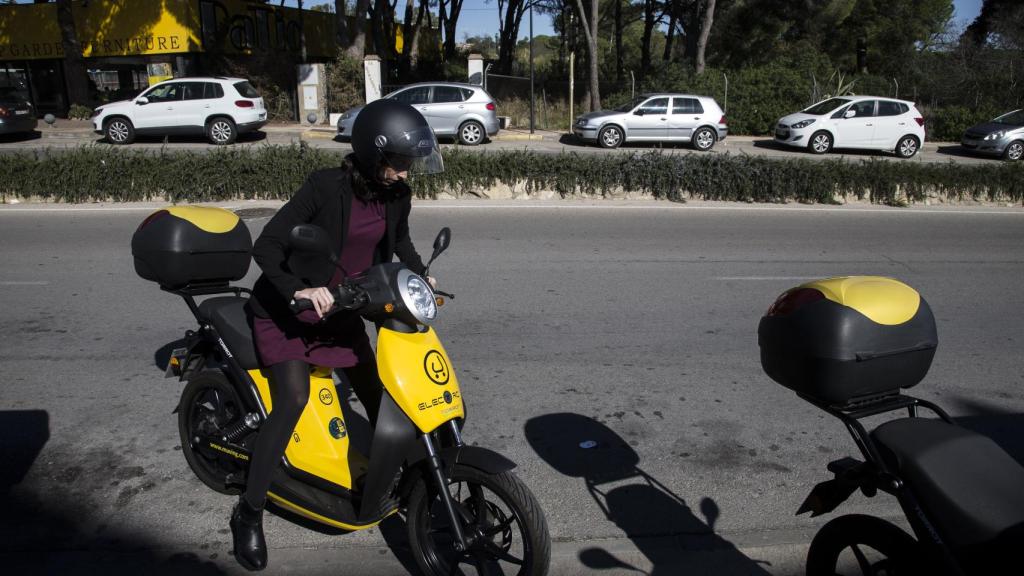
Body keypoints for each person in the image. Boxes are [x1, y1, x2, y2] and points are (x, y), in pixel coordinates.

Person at [231, 99, 444, 571]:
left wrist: (419, 274)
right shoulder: (325, 187)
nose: (405, 171)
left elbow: (399, 242)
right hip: (289, 313)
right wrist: (299, 290)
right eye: (399, 162)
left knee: (382, 396)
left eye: (410, 163)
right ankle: (249, 511)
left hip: (343, 310)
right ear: (372, 153)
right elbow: (267, 245)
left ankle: (415, 485)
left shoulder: (397, 195)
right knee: (292, 400)